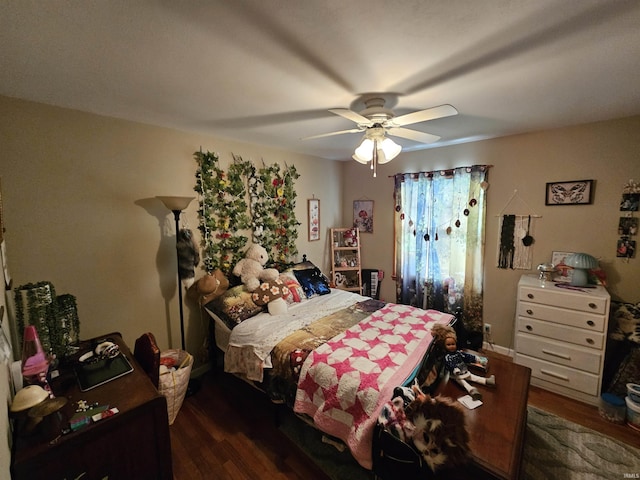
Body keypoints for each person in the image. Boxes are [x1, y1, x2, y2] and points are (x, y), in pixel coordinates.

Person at [433, 324, 495, 400]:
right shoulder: (447, 357)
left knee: (473, 377)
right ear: (444, 346)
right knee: (462, 382)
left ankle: (487, 381)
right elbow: (449, 364)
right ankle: (471, 390)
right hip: (455, 375)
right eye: (448, 345)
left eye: (453, 344)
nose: (451, 346)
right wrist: (455, 369)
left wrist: (477, 359)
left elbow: (467, 357)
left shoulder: (459, 353)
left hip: (464, 370)